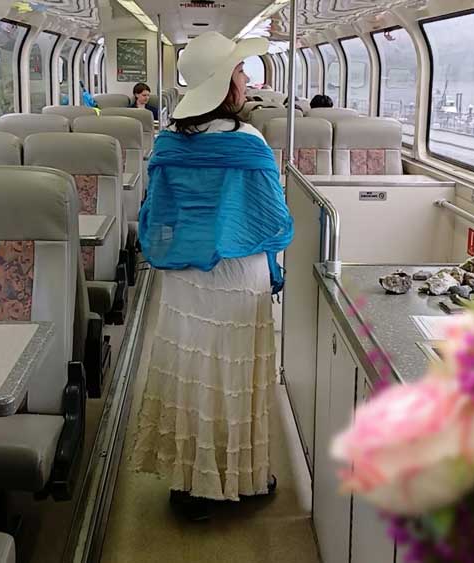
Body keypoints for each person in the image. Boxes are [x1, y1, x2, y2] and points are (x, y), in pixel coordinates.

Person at [131, 31, 293, 522]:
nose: (246, 78)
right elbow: (271, 221)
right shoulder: (249, 143)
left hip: (183, 278)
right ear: (225, 85)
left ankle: (192, 482)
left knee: (193, 376)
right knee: (235, 374)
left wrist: (190, 242)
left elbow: (155, 219)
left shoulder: (168, 144)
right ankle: (241, 478)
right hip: (239, 276)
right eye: (240, 71)